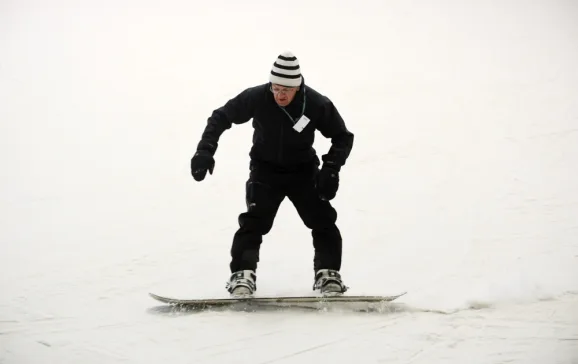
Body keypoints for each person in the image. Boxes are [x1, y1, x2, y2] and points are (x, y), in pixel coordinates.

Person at [190, 51, 354, 297]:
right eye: (275, 88)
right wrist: (205, 151)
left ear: (297, 87)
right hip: (265, 171)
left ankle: (328, 275)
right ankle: (242, 276)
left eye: (285, 90)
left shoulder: (317, 104)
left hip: (303, 172)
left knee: (323, 221)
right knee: (254, 222)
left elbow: (342, 136)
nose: (279, 95)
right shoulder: (257, 97)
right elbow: (221, 116)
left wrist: (331, 169)